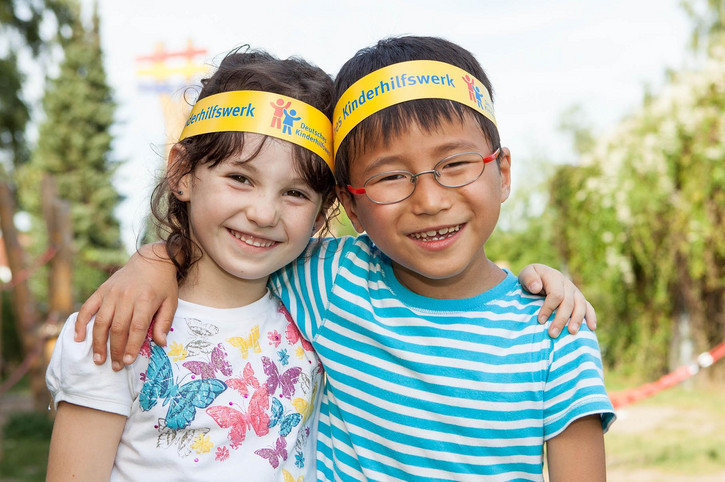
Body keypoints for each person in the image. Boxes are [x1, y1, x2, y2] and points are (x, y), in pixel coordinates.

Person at [73, 36, 613, 481]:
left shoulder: (556, 333)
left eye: (456, 164)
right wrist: (153, 261)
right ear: (352, 208)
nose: (429, 200)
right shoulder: (333, 281)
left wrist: (547, 279)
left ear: (504, 173)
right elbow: (228, 247)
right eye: (390, 177)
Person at [46, 47, 338, 481]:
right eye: (241, 178)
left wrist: (156, 256)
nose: (263, 213)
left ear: (320, 213)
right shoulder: (119, 326)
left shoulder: (320, 305)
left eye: (295, 193)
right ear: (183, 173)